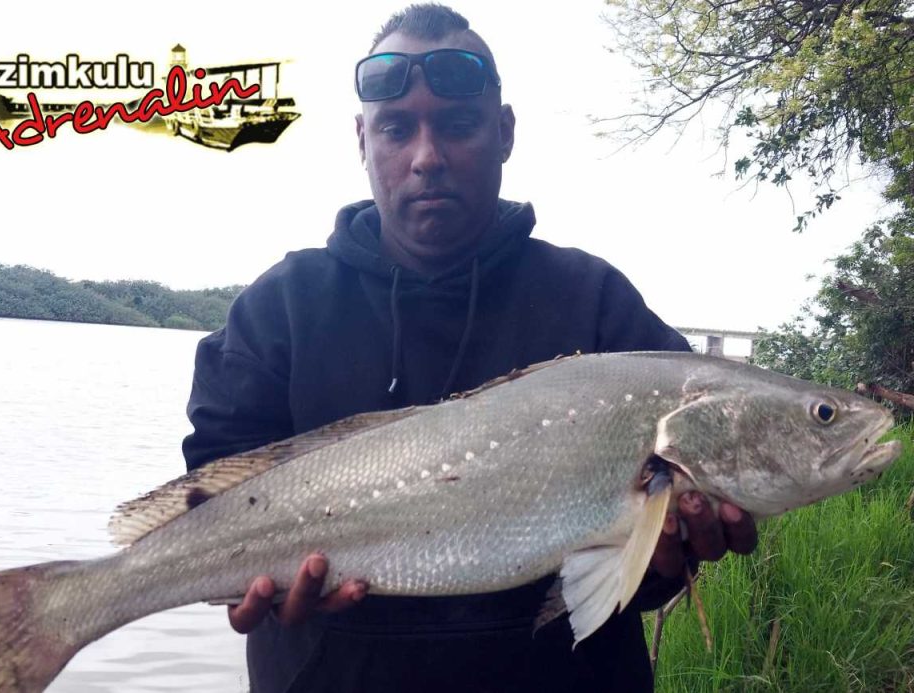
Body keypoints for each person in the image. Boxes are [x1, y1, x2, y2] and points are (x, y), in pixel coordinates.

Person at [183, 5, 757, 692]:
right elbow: (211, 492)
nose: (427, 157)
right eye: (398, 129)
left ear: (505, 133)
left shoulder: (597, 303)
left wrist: (671, 559)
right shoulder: (279, 308)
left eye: (458, 124)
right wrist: (255, 589)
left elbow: (633, 574)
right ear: (362, 139)